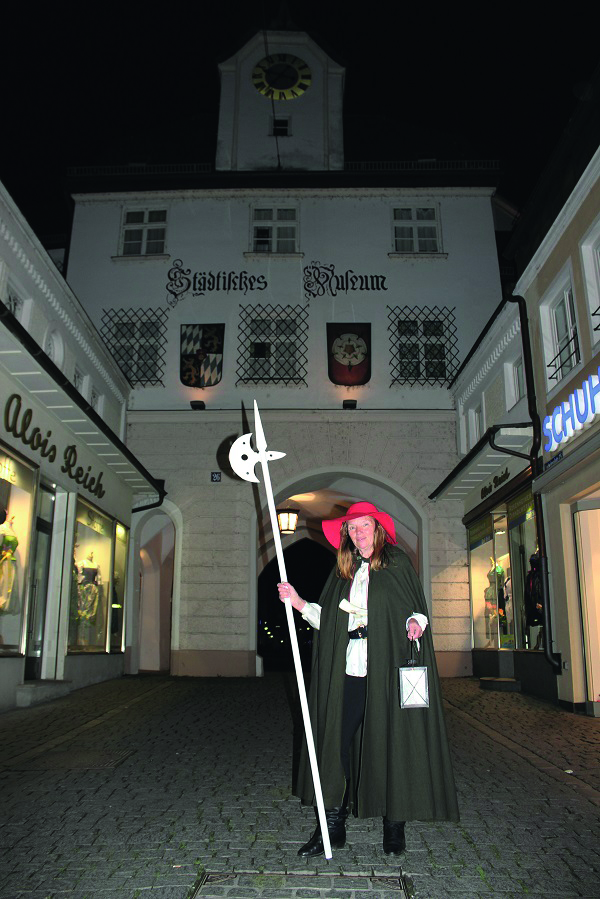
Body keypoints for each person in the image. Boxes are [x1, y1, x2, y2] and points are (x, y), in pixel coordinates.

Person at [277, 501, 459, 858]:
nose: (358, 533)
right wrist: (298, 602)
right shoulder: (342, 571)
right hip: (350, 670)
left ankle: (394, 826)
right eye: (352, 528)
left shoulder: (398, 564)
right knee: (335, 744)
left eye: (363, 526)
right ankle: (332, 827)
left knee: (392, 740)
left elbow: (417, 608)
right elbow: (328, 619)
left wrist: (414, 623)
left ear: (378, 528)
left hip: (387, 667)